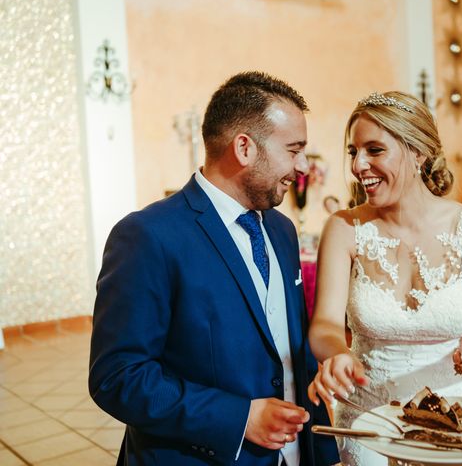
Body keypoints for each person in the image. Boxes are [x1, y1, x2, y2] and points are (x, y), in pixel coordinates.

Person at [89, 72, 339, 466]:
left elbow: (294, 357)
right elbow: (118, 377)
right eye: (293, 150)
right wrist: (239, 419)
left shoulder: (281, 229)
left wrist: (323, 451)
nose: (303, 166)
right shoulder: (148, 236)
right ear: (244, 148)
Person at [306, 91, 462, 465]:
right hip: (369, 418)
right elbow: (324, 324)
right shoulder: (343, 228)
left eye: (374, 150)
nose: (358, 165)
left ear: (418, 152)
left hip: (461, 414)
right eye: (354, 152)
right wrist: (337, 352)